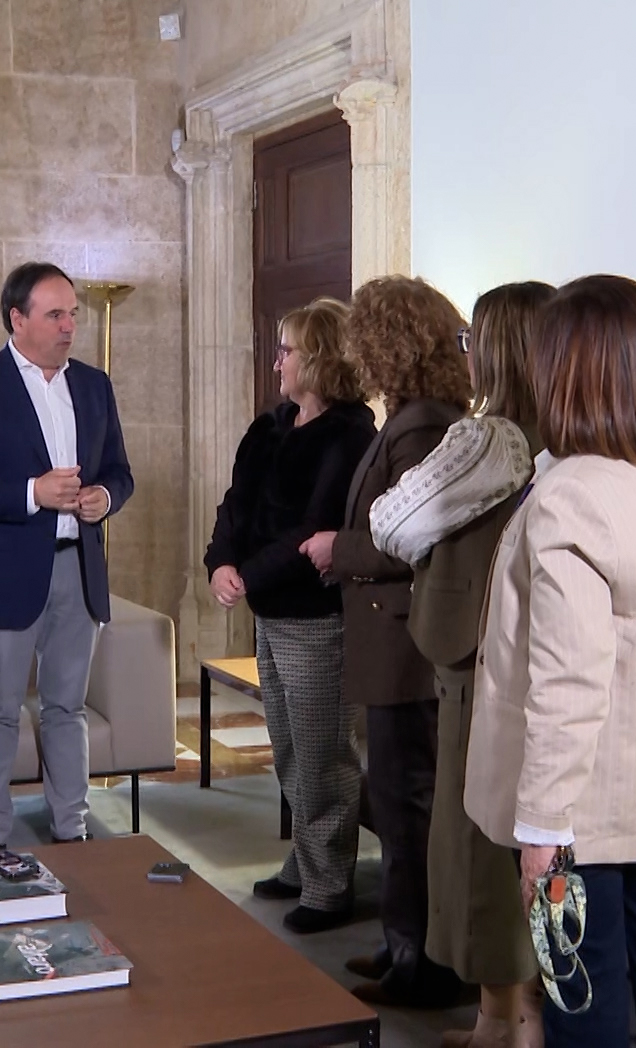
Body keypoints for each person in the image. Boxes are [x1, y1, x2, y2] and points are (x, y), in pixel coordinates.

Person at [466, 275, 636, 1047]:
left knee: (578, 994)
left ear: (568, 369)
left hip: (581, 807)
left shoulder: (574, 494)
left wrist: (540, 827)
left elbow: (569, 679)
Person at [371, 282, 553, 1048]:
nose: (464, 355)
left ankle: (505, 1025)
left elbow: (393, 523)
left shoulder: (491, 440)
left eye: (472, 340)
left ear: (499, 350)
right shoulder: (566, 440)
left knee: (480, 851)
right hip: (528, 659)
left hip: (480, 662)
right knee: (506, 850)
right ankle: (505, 1019)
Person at [299, 276, 470, 1008]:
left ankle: (425, 963)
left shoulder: (424, 424)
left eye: (364, 334)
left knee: (409, 811)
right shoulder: (409, 417)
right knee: (399, 808)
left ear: (389, 341)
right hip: (395, 642)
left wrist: (339, 548)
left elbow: (412, 539)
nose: (354, 349)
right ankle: (405, 941)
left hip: (408, 647)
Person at [0, 262, 133, 849]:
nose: (70, 326)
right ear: (17, 319)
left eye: (73, 314)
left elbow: (120, 471)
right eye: (56, 315)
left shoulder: (93, 385)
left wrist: (104, 498)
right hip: (5, 573)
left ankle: (72, 829)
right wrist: (31, 493)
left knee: (67, 708)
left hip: (79, 569)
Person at [204, 298, 376, 934]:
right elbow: (234, 503)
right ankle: (305, 862)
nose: (277, 362)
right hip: (271, 613)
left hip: (316, 616)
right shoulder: (271, 425)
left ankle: (329, 886)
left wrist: (250, 573)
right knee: (287, 749)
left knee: (323, 753)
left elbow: (314, 526)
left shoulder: (349, 435)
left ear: (320, 359)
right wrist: (220, 562)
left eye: (288, 350)